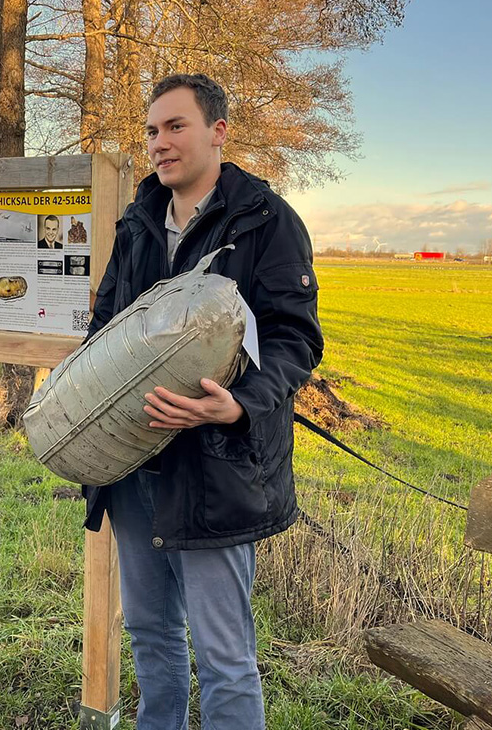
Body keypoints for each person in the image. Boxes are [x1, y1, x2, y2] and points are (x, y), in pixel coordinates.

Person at [84, 73, 323, 729]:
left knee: (224, 659)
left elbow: (294, 338)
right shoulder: (137, 222)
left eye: (175, 126)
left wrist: (239, 404)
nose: (160, 143)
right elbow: (104, 327)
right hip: (134, 468)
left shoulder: (267, 223)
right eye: (153, 130)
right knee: (152, 636)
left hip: (216, 469)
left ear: (218, 131)